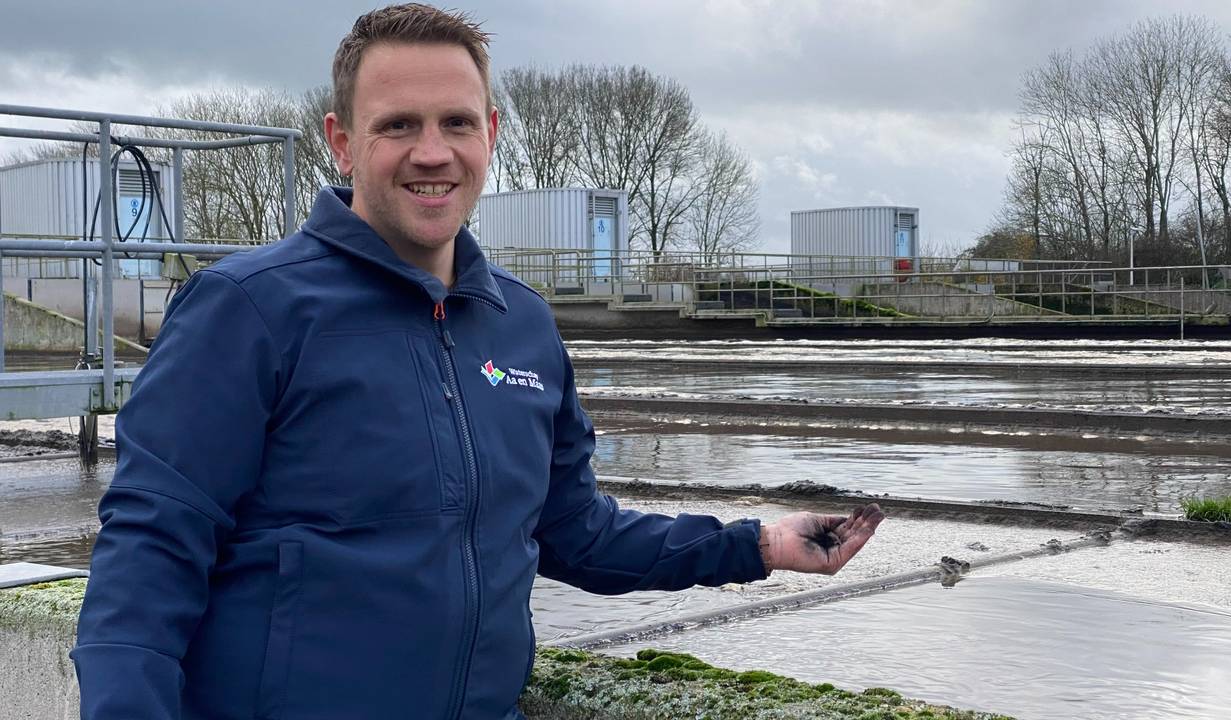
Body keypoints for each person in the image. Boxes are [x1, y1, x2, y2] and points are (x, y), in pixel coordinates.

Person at [72, 5, 885, 719]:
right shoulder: (247, 307)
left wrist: (757, 545)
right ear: (343, 142)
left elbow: (574, 533)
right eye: (399, 125)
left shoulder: (522, 324)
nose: (433, 152)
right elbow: (150, 555)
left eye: (457, 123)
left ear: (490, 133)